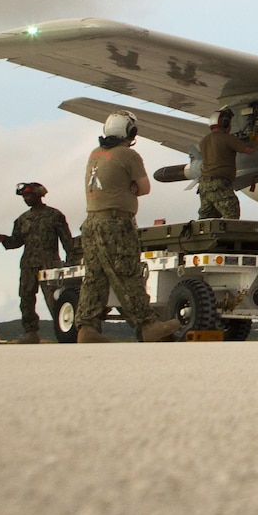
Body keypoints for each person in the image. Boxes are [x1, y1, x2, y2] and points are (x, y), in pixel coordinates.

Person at [76, 111, 180, 343]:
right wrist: (130, 185)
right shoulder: (129, 155)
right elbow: (144, 188)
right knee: (128, 273)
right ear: (130, 132)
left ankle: (86, 328)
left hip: (91, 222)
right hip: (116, 223)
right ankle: (148, 325)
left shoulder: (95, 154)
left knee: (95, 276)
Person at [0, 182, 80, 344]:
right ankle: (31, 333)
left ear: (39, 195)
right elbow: (17, 241)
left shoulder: (54, 215)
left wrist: (71, 259)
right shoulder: (22, 219)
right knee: (26, 298)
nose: (26, 199)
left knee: (54, 298)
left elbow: (67, 240)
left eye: (29, 195)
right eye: (24, 197)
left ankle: (64, 330)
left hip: (49, 264)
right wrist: (5, 240)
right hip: (28, 264)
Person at [197, 109, 258, 220]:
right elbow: (250, 149)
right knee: (231, 215)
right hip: (219, 184)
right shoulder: (227, 138)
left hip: (204, 185)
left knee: (206, 220)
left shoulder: (204, 140)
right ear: (225, 123)